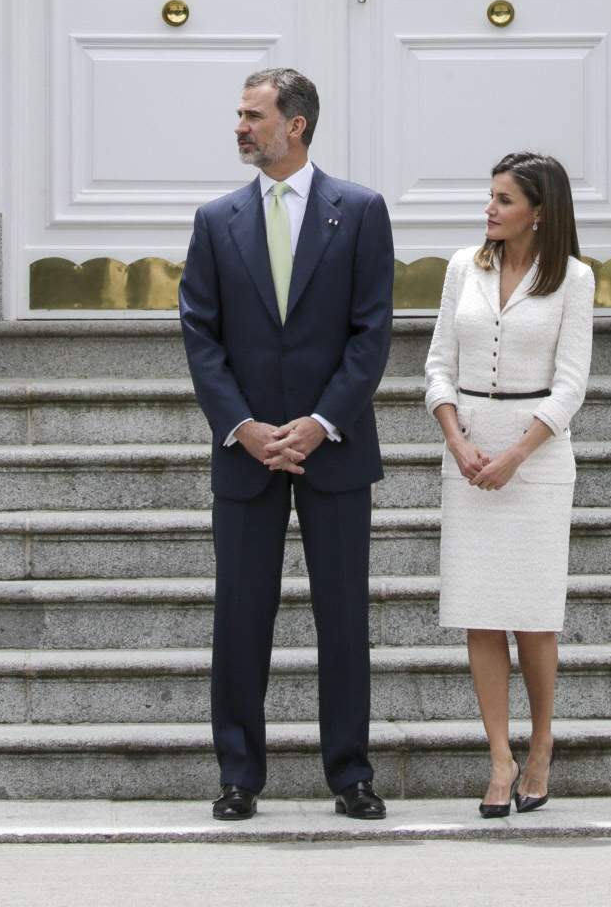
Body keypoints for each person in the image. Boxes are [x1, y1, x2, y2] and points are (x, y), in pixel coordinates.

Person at [179, 66, 395, 822]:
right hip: (246, 452)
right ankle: (239, 775)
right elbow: (200, 336)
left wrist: (320, 421)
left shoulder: (361, 212)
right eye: (239, 115)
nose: (240, 127)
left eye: (252, 115)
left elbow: (373, 334)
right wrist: (242, 426)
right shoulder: (215, 220)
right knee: (240, 615)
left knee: (343, 617)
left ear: (294, 124)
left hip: (332, 448)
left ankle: (351, 776)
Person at [424, 152, 594, 817]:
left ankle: (542, 744)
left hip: (539, 460)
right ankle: (499, 756)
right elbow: (439, 363)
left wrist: (518, 453)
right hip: (467, 454)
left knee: (533, 618)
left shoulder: (574, 279)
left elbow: (573, 382)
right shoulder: (463, 266)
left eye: (504, 199)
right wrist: (457, 440)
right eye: (489, 195)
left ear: (539, 212)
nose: (489, 209)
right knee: (480, 613)